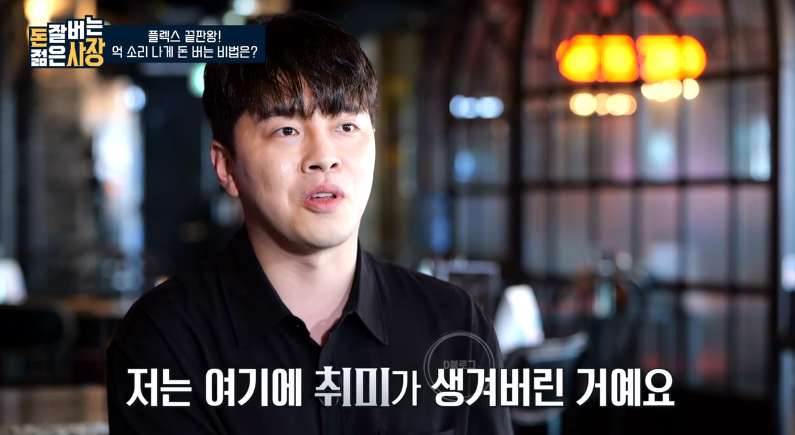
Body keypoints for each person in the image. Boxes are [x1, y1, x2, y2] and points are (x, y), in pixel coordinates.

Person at [106, 10, 513, 435]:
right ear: (226, 166)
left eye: (347, 126)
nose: (324, 156)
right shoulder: (164, 341)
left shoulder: (454, 327)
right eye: (287, 130)